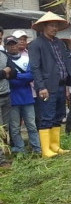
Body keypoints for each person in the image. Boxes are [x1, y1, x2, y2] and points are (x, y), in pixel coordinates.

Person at [28, 12, 71, 158]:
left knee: (59, 115)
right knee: (46, 116)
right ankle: (46, 149)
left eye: (56, 26)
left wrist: (68, 85)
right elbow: (35, 67)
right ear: (43, 27)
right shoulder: (36, 44)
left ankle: (55, 146)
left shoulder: (59, 43)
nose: (54, 28)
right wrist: (41, 87)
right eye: (51, 25)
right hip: (47, 86)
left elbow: (65, 63)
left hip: (61, 84)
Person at [4, 35, 41, 154]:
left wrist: (15, 75)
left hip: (27, 98)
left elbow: (32, 76)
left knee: (31, 125)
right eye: (9, 45)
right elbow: (8, 80)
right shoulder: (4, 61)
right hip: (12, 100)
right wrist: (22, 78)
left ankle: (37, 148)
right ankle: (21, 149)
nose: (13, 46)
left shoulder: (26, 59)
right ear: (5, 47)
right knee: (14, 128)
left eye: (14, 43)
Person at [0, 34, 16, 167]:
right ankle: (1, 160)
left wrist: (5, 72)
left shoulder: (3, 54)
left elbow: (14, 72)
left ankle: (5, 153)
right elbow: (6, 72)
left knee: (5, 128)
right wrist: (4, 72)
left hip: (6, 95)